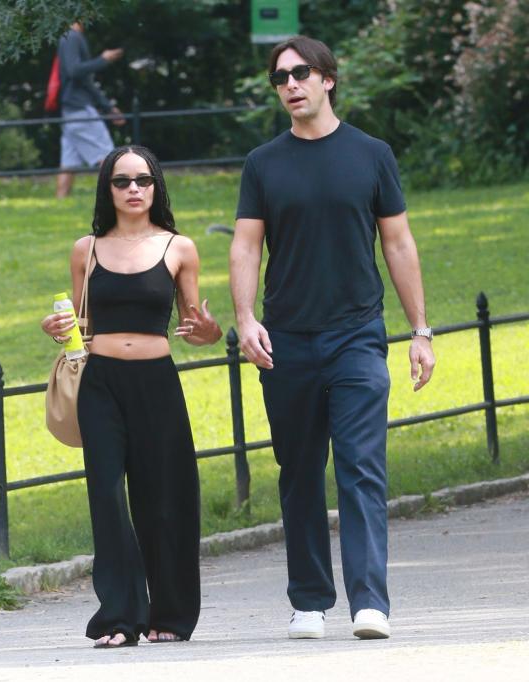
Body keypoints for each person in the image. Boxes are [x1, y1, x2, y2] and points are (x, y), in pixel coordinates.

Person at [229, 36, 436, 641]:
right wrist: (246, 319)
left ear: (328, 80)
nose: (289, 84)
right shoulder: (263, 163)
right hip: (287, 338)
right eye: (279, 78)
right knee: (297, 471)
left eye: (300, 73)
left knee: (362, 468)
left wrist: (419, 329)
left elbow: (397, 242)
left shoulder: (371, 154)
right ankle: (309, 602)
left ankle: (371, 603)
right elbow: (245, 245)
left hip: (357, 335)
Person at [41, 145, 222, 647]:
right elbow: (78, 326)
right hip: (100, 384)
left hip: (156, 383)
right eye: (122, 181)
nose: (134, 189)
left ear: (156, 186)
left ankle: (170, 614)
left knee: (164, 496)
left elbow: (198, 330)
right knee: (106, 496)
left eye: (143, 180)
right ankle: (120, 618)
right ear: (108, 189)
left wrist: (209, 328)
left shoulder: (179, 248)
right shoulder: (87, 249)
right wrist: (55, 328)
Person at [55, 21, 126, 199]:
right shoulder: (72, 36)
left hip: (71, 109)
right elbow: (74, 71)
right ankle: (114, 200)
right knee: (106, 156)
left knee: (69, 163)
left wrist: (108, 107)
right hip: (80, 110)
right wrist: (103, 59)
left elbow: (85, 80)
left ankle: (59, 201)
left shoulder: (68, 37)